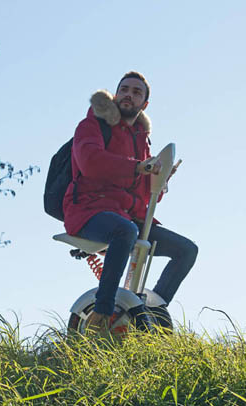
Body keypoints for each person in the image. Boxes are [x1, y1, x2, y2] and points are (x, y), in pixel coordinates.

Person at [62, 71, 198, 335]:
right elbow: (90, 162)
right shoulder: (91, 125)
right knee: (124, 230)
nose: (128, 95)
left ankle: (152, 311)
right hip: (89, 210)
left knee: (186, 250)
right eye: (124, 89)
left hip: (129, 216)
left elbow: (146, 195)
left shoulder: (141, 139)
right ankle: (102, 313)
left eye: (136, 92)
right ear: (115, 95)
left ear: (144, 104)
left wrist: (160, 181)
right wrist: (137, 168)